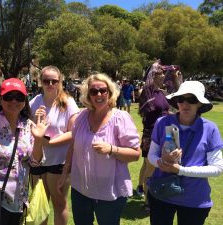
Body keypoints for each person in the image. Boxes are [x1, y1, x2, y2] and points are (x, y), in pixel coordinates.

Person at [58, 73, 141, 225]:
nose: (99, 94)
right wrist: (65, 172)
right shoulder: (82, 117)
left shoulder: (120, 118)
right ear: (88, 95)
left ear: (110, 92)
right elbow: (73, 146)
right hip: (80, 189)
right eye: (93, 91)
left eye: (103, 90)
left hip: (109, 192)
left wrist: (111, 149)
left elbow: (136, 154)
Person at [0, 78, 49, 225]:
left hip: (19, 201)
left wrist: (39, 139)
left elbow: (35, 162)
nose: (14, 101)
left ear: (25, 100)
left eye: (19, 97)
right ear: (1, 100)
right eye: (9, 96)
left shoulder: (29, 126)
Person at [147, 81, 223, 225]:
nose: (185, 104)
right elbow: (151, 155)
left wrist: (180, 170)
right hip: (161, 194)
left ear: (200, 103)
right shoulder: (162, 122)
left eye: (192, 99)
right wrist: (160, 162)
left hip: (194, 200)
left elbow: (217, 169)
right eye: (181, 99)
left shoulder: (210, 129)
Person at [29, 66, 79, 225]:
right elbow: (27, 125)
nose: (50, 84)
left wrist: (48, 141)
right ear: (40, 82)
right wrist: (33, 121)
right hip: (37, 161)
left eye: (54, 81)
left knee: (59, 204)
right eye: (46, 81)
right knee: (39, 205)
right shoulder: (35, 101)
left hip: (59, 161)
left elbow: (73, 132)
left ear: (60, 82)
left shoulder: (68, 102)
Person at [136, 69, 170, 210]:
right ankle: (147, 201)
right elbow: (145, 110)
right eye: (158, 73)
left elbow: (166, 110)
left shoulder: (162, 93)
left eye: (162, 73)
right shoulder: (147, 92)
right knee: (150, 167)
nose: (162, 76)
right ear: (152, 76)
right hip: (151, 134)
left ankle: (152, 194)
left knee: (161, 165)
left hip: (165, 132)